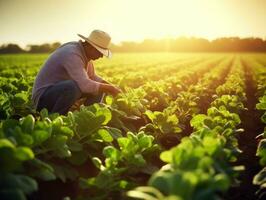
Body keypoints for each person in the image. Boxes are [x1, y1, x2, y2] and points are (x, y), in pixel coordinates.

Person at [32, 29, 121, 115]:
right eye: (100, 52)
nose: (101, 56)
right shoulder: (71, 53)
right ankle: (56, 118)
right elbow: (85, 85)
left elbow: (92, 77)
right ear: (90, 47)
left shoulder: (84, 53)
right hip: (43, 100)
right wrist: (110, 89)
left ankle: (88, 117)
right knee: (72, 87)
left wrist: (111, 86)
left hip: (57, 93)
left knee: (99, 88)